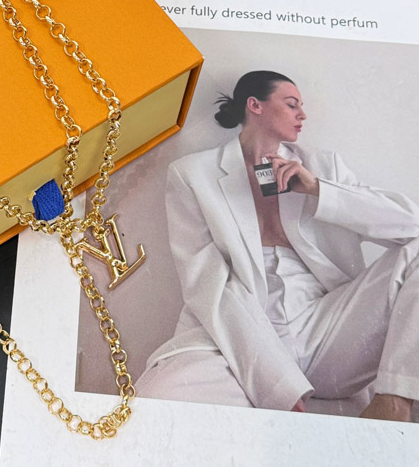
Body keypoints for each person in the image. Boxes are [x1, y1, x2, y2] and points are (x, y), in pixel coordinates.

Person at [137, 71, 419, 420]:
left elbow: (412, 225)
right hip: (242, 333)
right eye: (292, 104)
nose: (303, 114)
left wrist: (319, 189)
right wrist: (275, 383)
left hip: (326, 327)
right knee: (156, 400)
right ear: (254, 105)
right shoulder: (193, 173)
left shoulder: (323, 165)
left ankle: (395, 401)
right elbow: (208, 284)